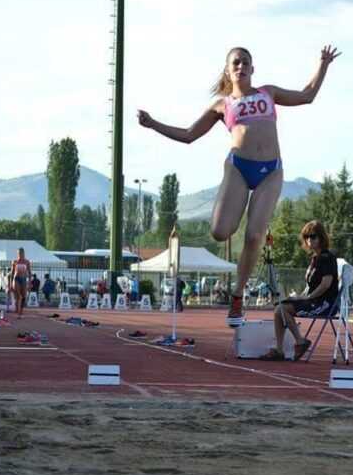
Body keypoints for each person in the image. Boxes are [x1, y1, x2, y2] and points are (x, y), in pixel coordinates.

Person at [138, 45, 341, 322]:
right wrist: (153, 124)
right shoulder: (222, 105)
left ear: (252, 68)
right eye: (236, 63)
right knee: (220, 231)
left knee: (255, 236)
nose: (241, 67)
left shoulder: (268, 92)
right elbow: (188, 134)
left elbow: (307, 95)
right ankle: (236, 206)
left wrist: (323, 64)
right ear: (228, 70)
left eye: (246, 62)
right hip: (238, 168)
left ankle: (237, 295)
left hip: (271, 170)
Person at [261, 220, 337, 361]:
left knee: (282, 310)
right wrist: (300, 296)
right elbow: (310, 286)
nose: (309, 240)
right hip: (313, 300)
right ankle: (279, 350)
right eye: (306, 237)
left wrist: (307, 297)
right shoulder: (315, 258)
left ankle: (300, 341)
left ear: (321, 237)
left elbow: (326, 284)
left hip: (324, 304)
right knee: (279, 307)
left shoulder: (327, 257)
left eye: (313, 236)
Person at [11, 247, 32, 318]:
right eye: (19, 253)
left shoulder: (27, 262)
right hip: (16, 279)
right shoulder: (15, 261)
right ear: (17, 254)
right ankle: (17, 309)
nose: (20, 254)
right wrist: (10, 283)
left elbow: (29, 273)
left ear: (24, 253)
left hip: (23, 279)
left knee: (23, 296)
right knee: (18, 295)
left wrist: (29, 283)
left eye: (21, 253)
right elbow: (12, 273)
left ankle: (21, 311)